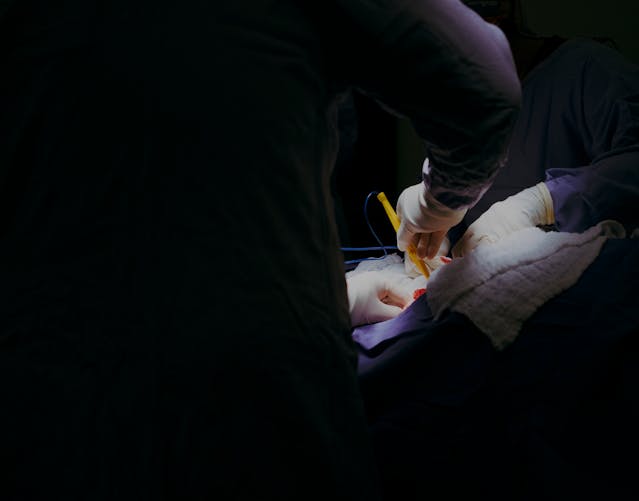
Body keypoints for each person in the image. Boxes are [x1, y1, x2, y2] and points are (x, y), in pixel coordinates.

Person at [0, 1, 521, 500]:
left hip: (49, 428)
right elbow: (485, 92)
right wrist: (436, 206)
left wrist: (339, 296)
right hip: (257, 417)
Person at [449, 0, 639, 256]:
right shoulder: (462, 105)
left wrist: (544, 202)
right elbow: (457, 199)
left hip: (593, 280)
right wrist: (438, 226)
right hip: (489, 284)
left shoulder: (589, 70)